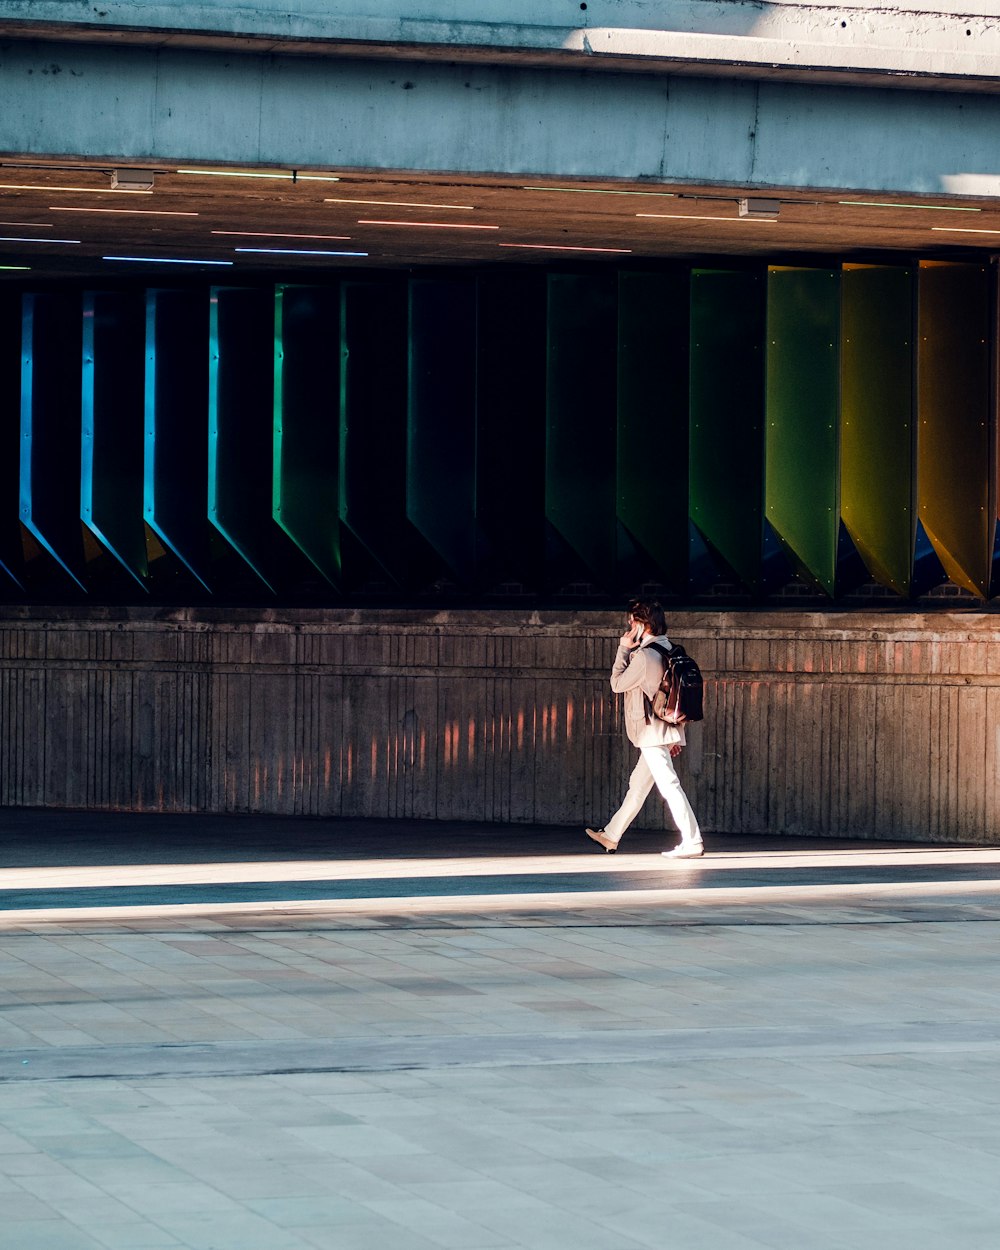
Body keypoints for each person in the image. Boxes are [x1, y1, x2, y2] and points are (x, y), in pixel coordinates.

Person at [585, 599, 704, 859]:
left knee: (670, 785)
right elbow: (674, 696)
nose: (629, 627)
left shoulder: (643, 656)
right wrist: (676, 737)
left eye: (631, 623)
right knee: (638, 785)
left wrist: (623, 650)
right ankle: (611, 834)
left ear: (640, 625)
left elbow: (617, 684)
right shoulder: (672, 650)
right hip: (665, 730)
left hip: (650, 733)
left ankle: (692, 841)